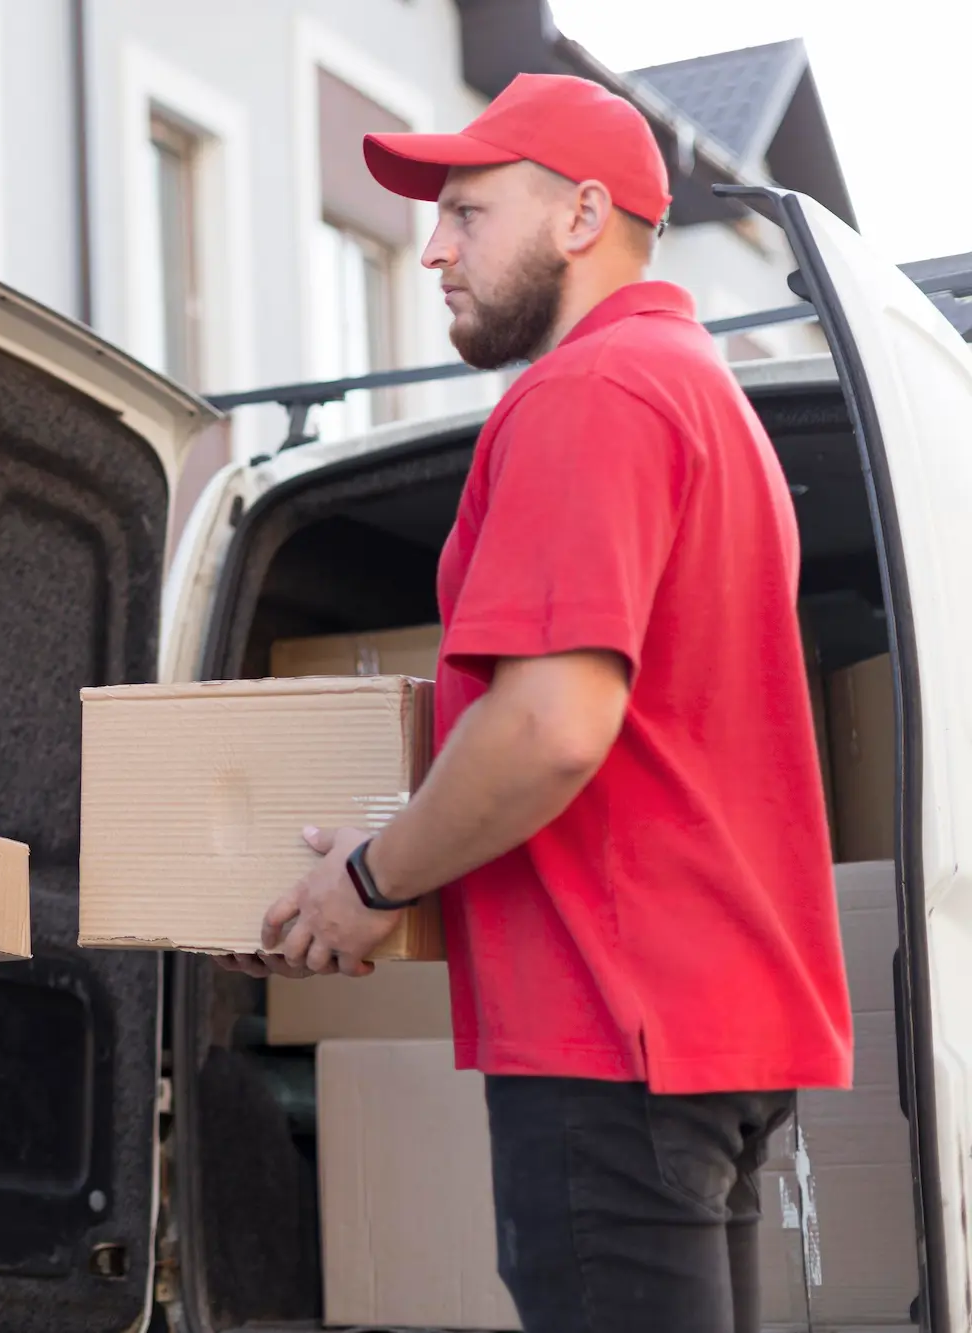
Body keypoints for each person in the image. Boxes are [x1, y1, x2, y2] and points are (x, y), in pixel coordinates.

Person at [223, 74, 853, 1333]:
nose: (433, 251)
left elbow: (550, 725)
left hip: (608, 1029)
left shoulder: (588, 393)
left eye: (465, 213)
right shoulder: (697, 394)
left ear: (579, 216)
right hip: (700, 1028)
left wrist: (368, 881)